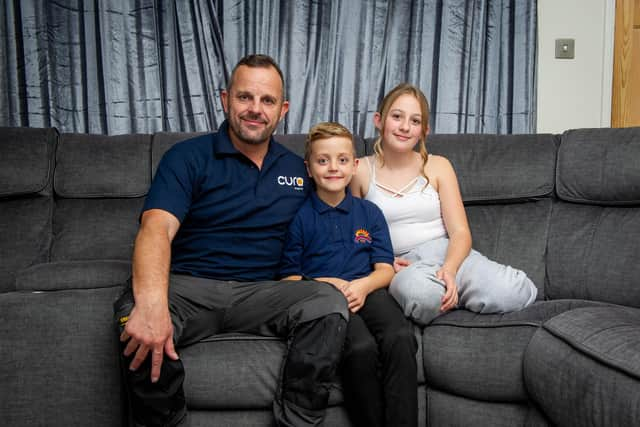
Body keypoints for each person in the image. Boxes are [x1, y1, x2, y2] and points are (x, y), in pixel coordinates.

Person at [113, 54, 348, 427]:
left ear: (283, 109)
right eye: (245, 97)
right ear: (225, 100)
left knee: (327, 302)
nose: (255, 109)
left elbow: (338, 215)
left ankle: (298, 422)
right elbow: (156, 229)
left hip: (263, 294)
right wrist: (153, 304)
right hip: (189, 288)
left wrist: (386, 260)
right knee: (133, 316)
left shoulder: (298, 170)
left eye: (267, 100)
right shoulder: (186, 157)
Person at [350, 83, 538, 326]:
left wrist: (449, 270)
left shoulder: (439, 166)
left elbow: (460, 232)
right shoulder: (360, 171)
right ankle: (449, 296)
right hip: (403, 265)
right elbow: (355, 233)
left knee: (514, 290)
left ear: (424, 131)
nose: (405, 127)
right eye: (397, 117)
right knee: (421, 295)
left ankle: (451, 291)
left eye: (415, 121)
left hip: (446, 253)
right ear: (379, 120)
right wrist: (383, 260)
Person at [280, 122, 418, 427]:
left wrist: (363, 286)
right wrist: (328, 284)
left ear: (354, 166)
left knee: (401, 336)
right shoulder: (300, 219)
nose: (333, 168)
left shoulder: (370, 213)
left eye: (342, 160)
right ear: (309, 167)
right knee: (361, 348)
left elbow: (385, 270)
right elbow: (288, 280)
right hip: (328, 302)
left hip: (369, 290)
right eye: (323, 160)